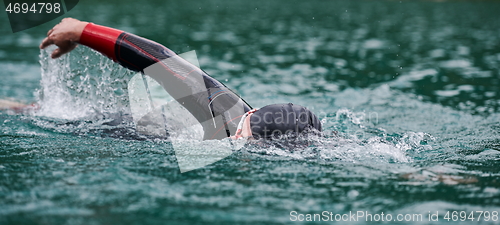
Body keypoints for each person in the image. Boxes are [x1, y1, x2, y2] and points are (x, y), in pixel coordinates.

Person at [37, 18, 322, 141]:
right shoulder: (228, 113)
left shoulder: (240, 129)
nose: (234, 136)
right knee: (35, 113)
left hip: (147, 132)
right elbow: (161, 60)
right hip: (115, 125)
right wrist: (83, 30)